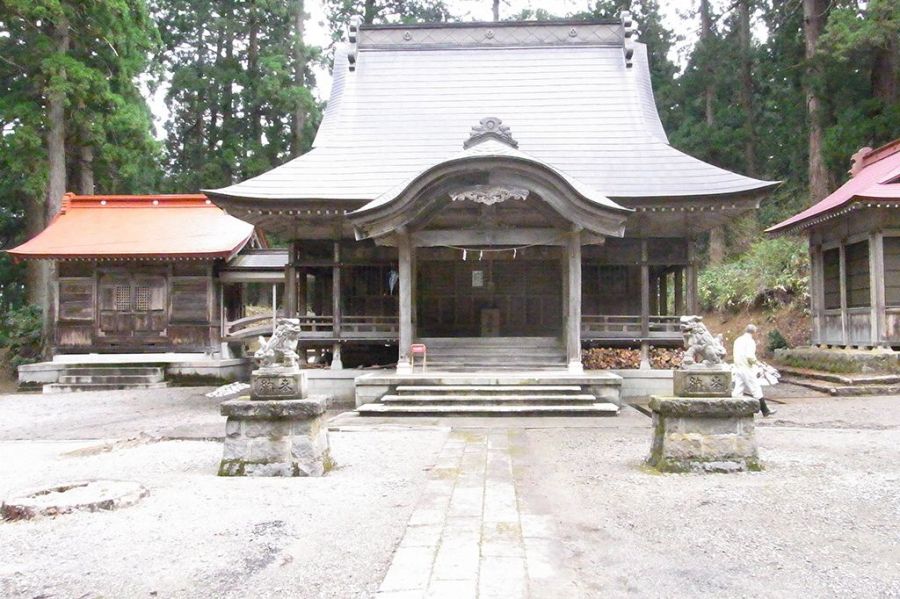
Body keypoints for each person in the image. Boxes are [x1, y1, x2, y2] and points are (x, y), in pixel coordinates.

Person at [732, 324, 776, 417]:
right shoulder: (750, 341)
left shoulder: (738, 340)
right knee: (755, 388)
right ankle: (765, 410)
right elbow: (750, 356)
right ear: (754, 332)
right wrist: (758, 364)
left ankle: (732, 408)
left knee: (738, 389)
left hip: (738, 367)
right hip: (747, 367)